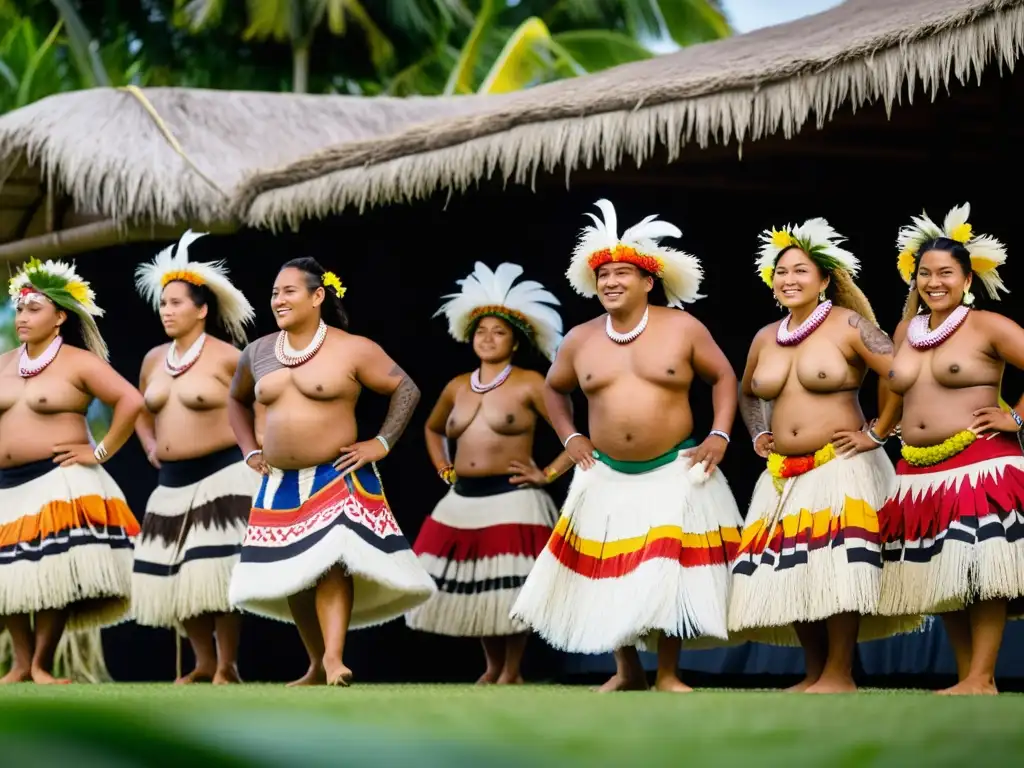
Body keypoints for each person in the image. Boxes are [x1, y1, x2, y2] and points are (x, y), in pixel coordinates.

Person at [509, 199, 744, 693]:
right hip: (607, 470)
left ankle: (669, 673)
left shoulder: (683, 327)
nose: (611, 282)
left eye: (622, 274)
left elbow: (724, 376)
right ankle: (627, 670)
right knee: (611, 567)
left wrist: (720, 434)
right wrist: (569, 436)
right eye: (603, 276)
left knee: (664, 567)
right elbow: (555, 388)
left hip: (672, 467)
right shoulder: (579, 339)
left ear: (647, 281)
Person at [226, 257, 436, 686]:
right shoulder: (259, 352)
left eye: (289, 291)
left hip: (335, 475)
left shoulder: (352, 348)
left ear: (317, 296)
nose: (278, 300)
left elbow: (405, 388)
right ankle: (317, 663)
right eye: (274, 293)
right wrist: (249, 450)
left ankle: (337, 659)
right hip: (280, 481)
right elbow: (236, 400)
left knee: (331, 563)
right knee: (296, 573)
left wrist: (381, 442)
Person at [730, 218, 919, 694]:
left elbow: (899, 373)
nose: (789, 279)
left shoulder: (848, 324)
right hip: (783, 472)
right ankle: (815, 672)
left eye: (800, 271)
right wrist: (758, 433)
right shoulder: (764, 336)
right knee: (792, 567)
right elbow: (747, 390)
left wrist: (878, 433)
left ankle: (840, 673)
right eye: (781, 272)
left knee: (838, 566)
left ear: (825, 281)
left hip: (839, 463)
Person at [405, 262, 575, 685]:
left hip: (513, 495)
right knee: (480, 584)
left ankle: (512, 669)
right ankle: (493, 667)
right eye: (481, 331)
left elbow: (573, 438)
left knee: (510, 586)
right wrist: (444, 466)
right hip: (463, 498)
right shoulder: (457, 385)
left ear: (515, 342)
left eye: (498, 332)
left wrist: (549, 473)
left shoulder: (532, 383)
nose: (487, 338)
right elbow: (430, 428)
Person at [879, 203, 1024, 696]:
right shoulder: (906, 331)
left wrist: (1016, 417)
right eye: (925, 273)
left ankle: (982, 675)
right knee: (940, 573)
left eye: (945, 273)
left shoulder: (987, 326)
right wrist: (877, 434)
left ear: (966, 280)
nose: (933, 282)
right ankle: (969, 679)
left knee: (981, 571)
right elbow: (896, 395)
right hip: (918, 469)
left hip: (980, 462)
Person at [0, 258, 143, 684]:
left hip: (57, 477)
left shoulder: (79, 362)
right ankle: (20, 664)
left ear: (60, 316)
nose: (23, 318)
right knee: (7, 574)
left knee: (53, 571)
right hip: (6, 485)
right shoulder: (4, 362)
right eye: (21, 309)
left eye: (34, 309)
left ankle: (41, 663)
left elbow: (130, 401)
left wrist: (98, 452)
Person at [131, 230, 262, 684]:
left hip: (222, 475)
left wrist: (254, 453)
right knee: (177, 575)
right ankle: (202, 661)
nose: (166, 310)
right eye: (163, 302)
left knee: (215, 571)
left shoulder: (230, 357)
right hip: (170, 482)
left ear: (202, 308)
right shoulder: (152, 360)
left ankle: (227, 664)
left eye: (177, 302)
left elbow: (260, 406)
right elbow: (137, 410)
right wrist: (149, 443)